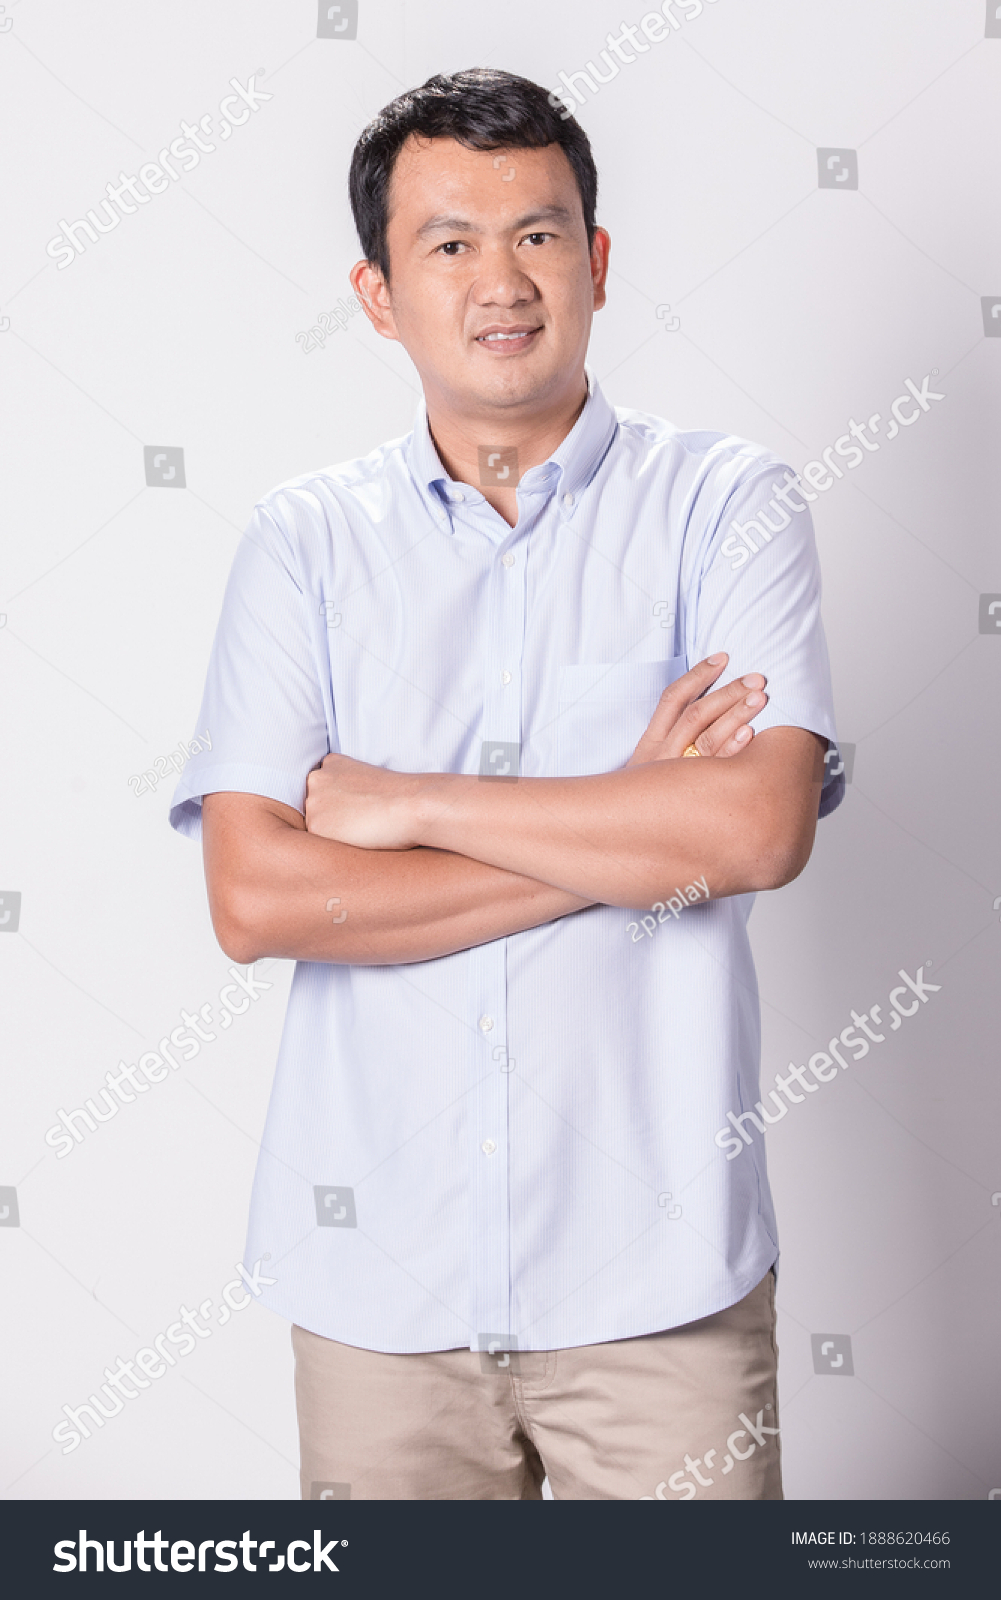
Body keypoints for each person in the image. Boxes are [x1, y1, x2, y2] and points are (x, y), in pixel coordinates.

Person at [170, 67, 843, 1501]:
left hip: (660, 1289)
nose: (501, 280)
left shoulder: (726, 507)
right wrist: (621, 818)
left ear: (595, 262)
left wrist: (405, 804)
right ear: (376, 292)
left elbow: (753, 824)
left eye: (537, 235)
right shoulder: (302, 549)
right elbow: (257, 896)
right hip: (379, 1302)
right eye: (449, 243)